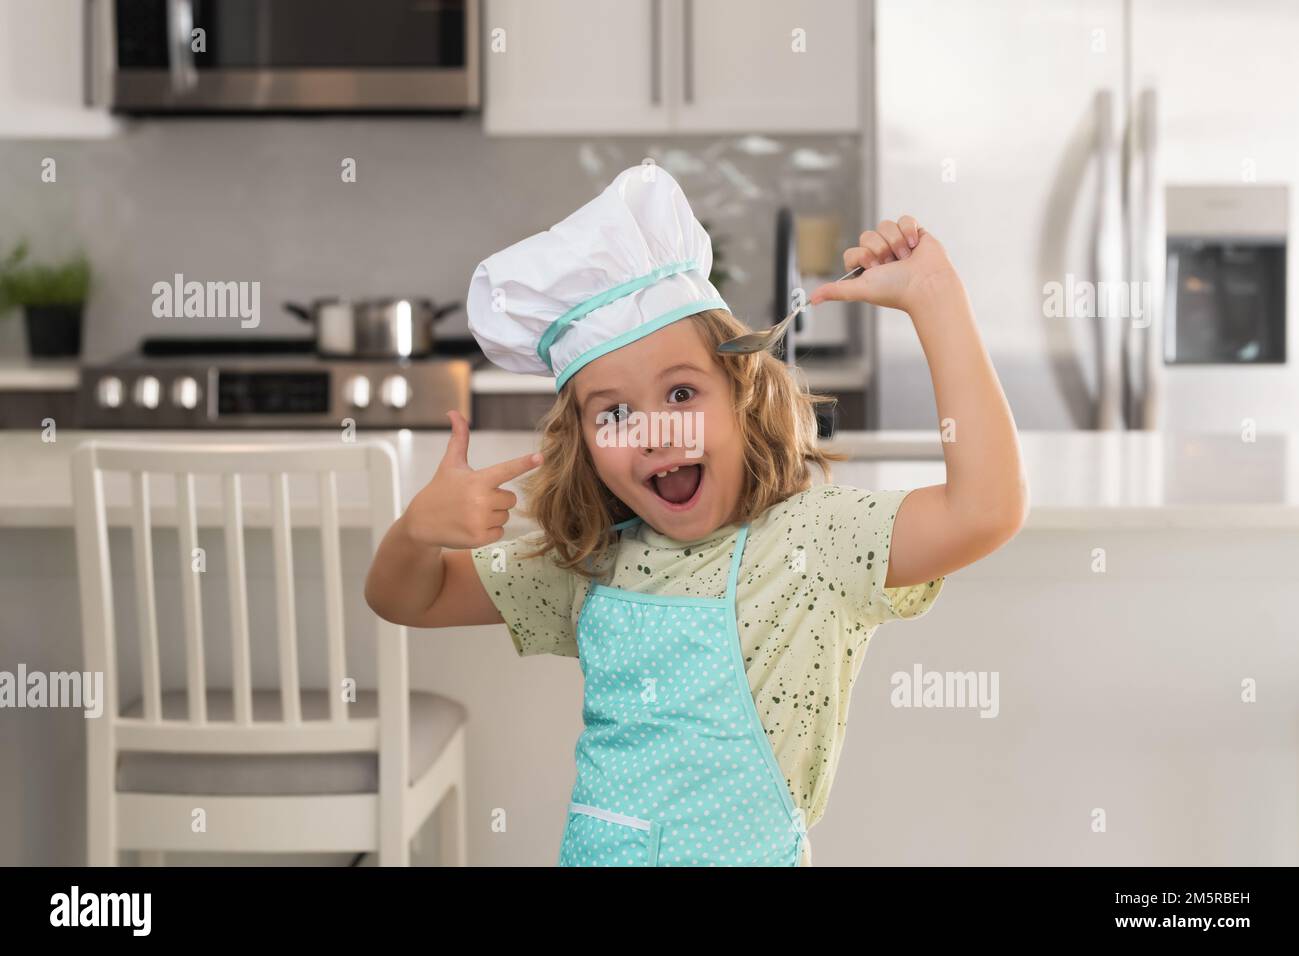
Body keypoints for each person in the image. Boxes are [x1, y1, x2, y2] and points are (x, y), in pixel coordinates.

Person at [365, 163, 1027, 866]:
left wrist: (937, 300)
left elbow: (985, 509)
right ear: (586, 446)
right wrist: (415, 532)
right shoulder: (591, 560)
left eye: (681, 394)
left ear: (743, 394)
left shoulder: (814, 543)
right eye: (614, 412)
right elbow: (410, 596)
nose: (655, 432)